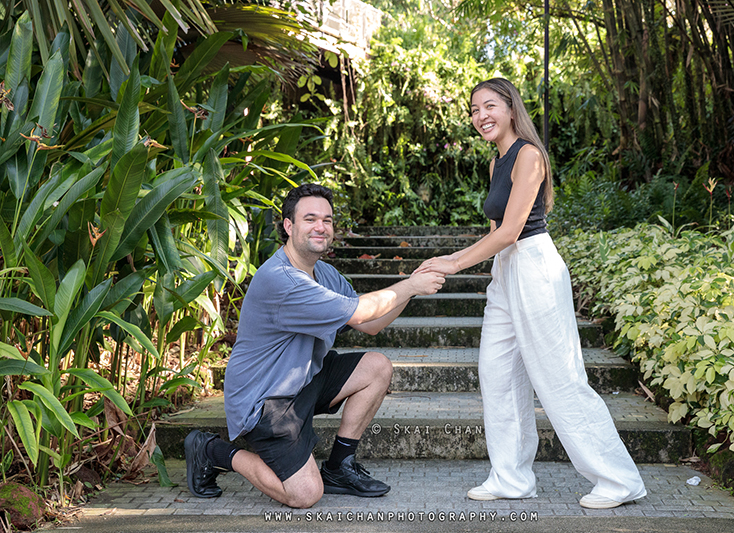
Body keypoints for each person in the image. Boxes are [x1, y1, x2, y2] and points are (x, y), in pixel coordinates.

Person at [414, 78, 646, 509]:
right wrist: (493, 275)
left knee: (560, 378)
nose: (481, 116)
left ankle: (619, 479)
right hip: (507, 272)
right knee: (497, 374)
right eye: (473, 109)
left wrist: (452, 262)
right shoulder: (496, 162)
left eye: (489, 106)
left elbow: (512, 230)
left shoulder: (529, 155)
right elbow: (496, 233)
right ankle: (511, 477)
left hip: (535, 266)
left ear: (510, 107)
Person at [184, 183, 445, 509]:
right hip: (266, 400)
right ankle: (211, 450)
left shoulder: (325, 273)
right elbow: (363, 310)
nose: (321, 227)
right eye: (310, 219)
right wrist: (409, 284)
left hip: (305, 378)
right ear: (289, 226)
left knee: (376, 366)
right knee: (305, 495)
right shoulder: (281, 280)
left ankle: (339, 467)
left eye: (327, 219)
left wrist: (412, 287)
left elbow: (371, 325)